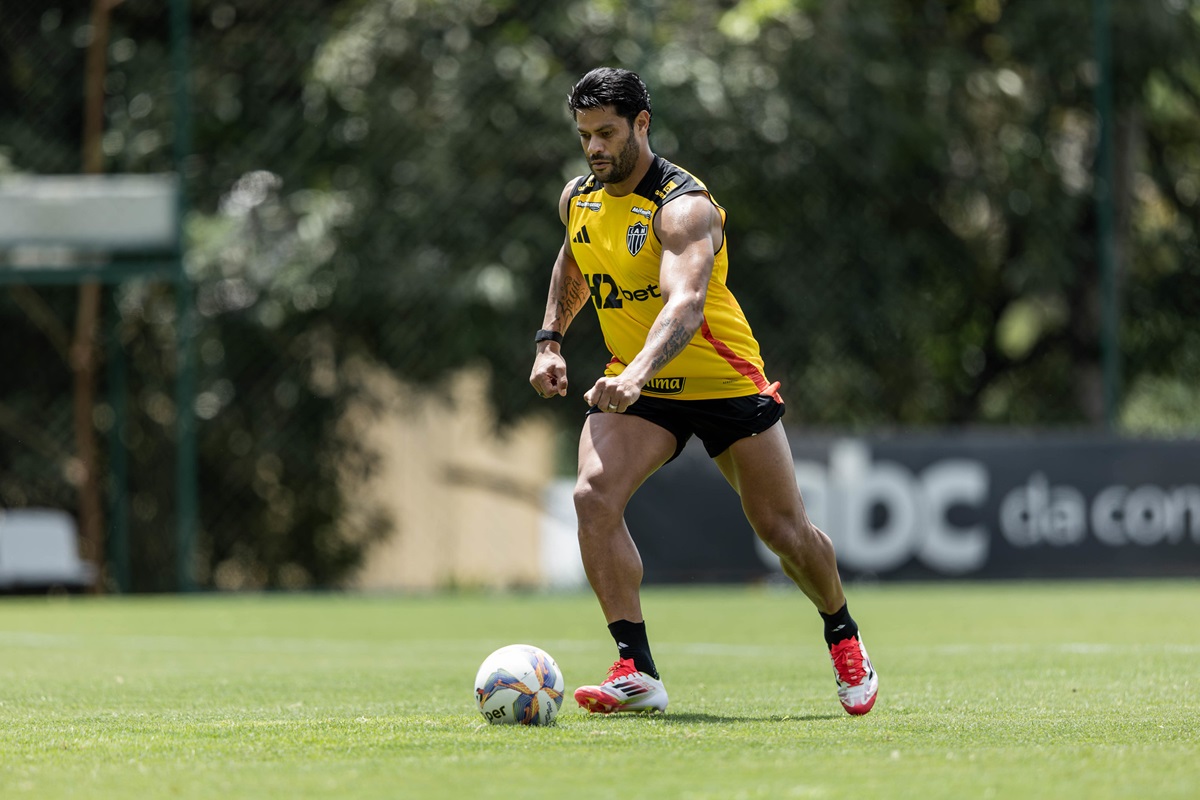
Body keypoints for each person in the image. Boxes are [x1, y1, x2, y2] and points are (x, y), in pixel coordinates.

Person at [529, 67, 878, 717]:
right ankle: (636, 668)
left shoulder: (683, 207)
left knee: (783, 530)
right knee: (592, 495)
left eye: (607, 133)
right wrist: (550, 340)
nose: (595, 148)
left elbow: (686, 303)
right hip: (642, 387)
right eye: (584, 136)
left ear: (642, 125)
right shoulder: (578, 199)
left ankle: (843, 633)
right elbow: (574, 258)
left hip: (720, 381)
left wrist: (634, 374)